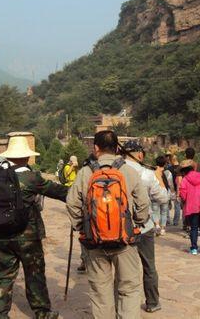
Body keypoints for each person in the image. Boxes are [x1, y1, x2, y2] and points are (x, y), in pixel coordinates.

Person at [66, 130, 150, 319]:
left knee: (101, 292)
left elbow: (72, 203)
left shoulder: (86, 172)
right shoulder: (128, 170)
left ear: (96, 148)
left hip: (94, 243)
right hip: (125, 241)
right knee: (128, 289)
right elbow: (143, 203)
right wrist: (136, 224)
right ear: (116, 148)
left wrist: (84, 227)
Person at [0, 136, 68, 319]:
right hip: (28, 235)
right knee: (34, 273)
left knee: (2, 275)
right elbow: (58, 192)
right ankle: (42, 312)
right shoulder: (32, 178)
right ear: (26, 157)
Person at [122, 140, 168, 313]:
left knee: (123, 268)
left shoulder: (115, 171)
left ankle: (125, 304)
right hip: (144, 227)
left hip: (122, 228)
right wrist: (158, 177)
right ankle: (152, 302)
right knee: (149, 266)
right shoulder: (147, 174)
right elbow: (163, 198)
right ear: (139, 154)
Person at [178, 159, 200, 255]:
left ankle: (194, 248)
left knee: (193, 227)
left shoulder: (185, 180)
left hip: (192, 206)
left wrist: (183, 201)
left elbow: (183, 195)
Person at [154, 155, 175, 235]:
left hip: (155, 194)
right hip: (165, 194)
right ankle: (163, 229)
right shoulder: (168, 172)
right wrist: (173, 193)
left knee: (155, 211)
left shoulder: (154, 172)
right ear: (165, 164)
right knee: (164, 212)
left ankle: (157, 225)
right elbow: (170, 184)